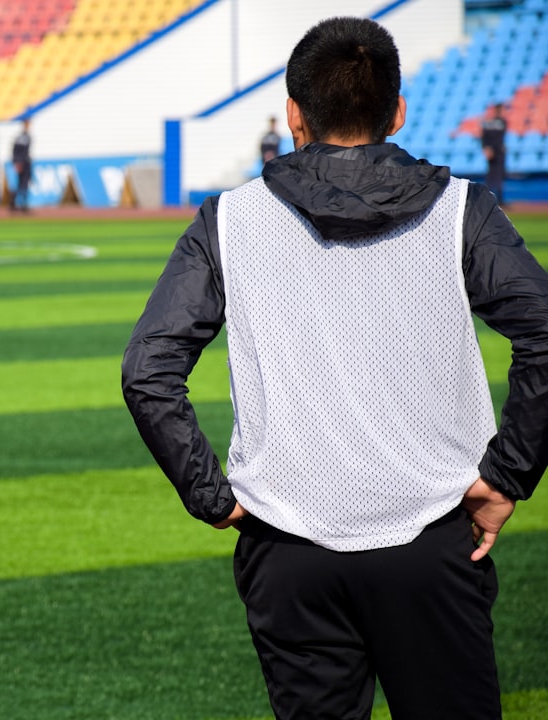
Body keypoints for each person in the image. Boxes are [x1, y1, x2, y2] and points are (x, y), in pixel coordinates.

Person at [122, 17, 548, 720]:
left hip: (286, 546)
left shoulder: (228, 220)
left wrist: (210, 494)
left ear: (294, 112)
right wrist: (507, 475)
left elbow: (147, 369)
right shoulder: (462, 212)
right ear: (398, 110)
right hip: (432, 539)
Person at [481, 102, 507, 206]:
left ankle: (499, 199)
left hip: (498, 151)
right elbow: (485, 137)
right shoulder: (492, 122)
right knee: (492, 176)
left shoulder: (501, 122)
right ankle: (490, 198)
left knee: (499, 175)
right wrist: (487, 148)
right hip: (494, 150)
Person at [10, 118, 32, 213]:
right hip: (22, 163)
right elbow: (16, 151)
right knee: (21, 185)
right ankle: (16, 204)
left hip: (25, 163)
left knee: (23, 184)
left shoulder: (26, 136)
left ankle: (21, 205)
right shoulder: (22, 138)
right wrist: (17, 162)